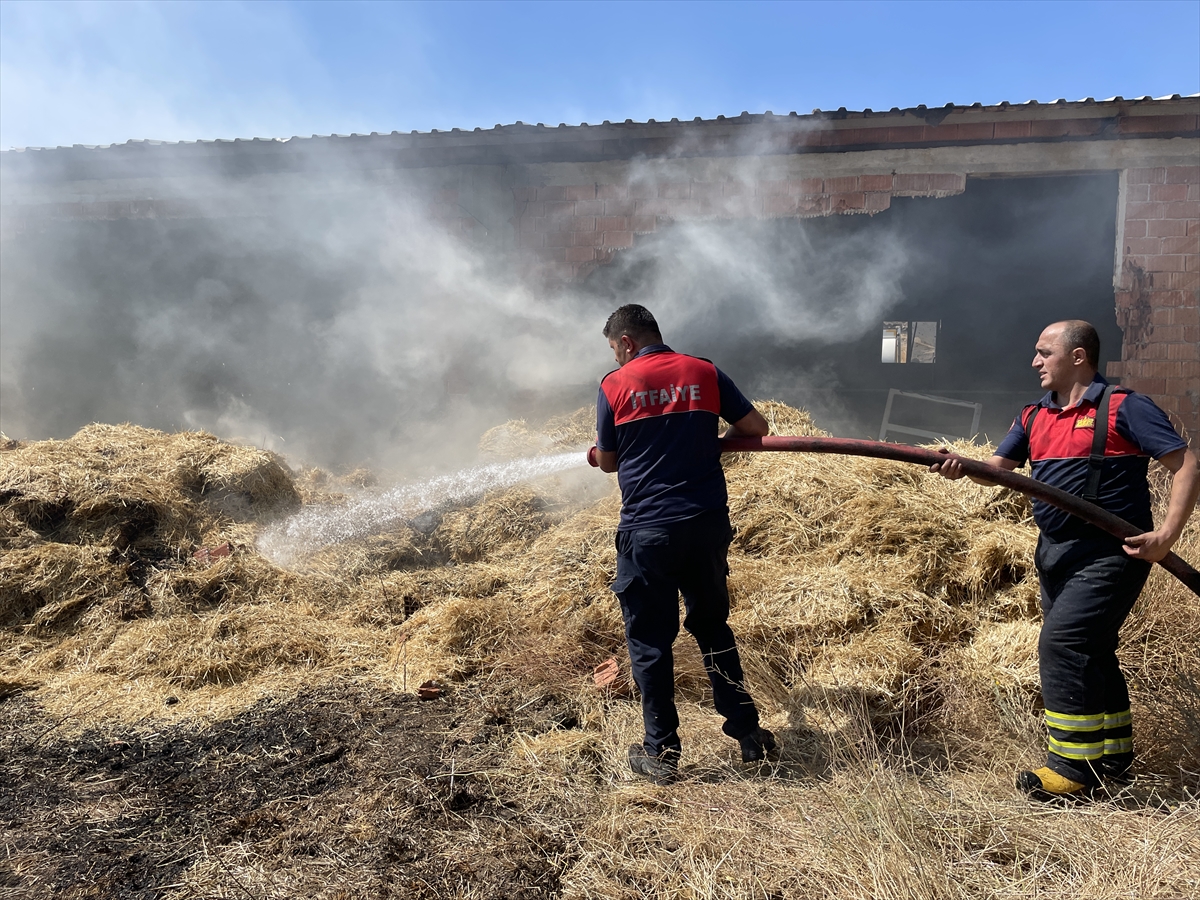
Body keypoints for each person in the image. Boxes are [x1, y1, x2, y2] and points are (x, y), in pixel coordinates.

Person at [932, 319, 1198, 799]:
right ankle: (1113, 757)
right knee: (1094, 650)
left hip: (1112, 554)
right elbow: (997, 472)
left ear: (1078, 357)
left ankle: (1072, 771)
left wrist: (1166, 536)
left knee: (1063, 645)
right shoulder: (1033, 416)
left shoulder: (1125, 408)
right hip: (1054, 553)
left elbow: (1186, 464)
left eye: (1043, 352)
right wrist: (960, 466)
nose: (1035, 362)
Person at [586, 304, 776, 784]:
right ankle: (750, 737)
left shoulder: (615, 384)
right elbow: (756, 428)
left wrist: (601, 453)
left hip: (648, 531)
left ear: (625, 342)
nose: (615, 357)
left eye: (614, 348)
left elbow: (608, 461)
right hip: (706, 524)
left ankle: (662, 755)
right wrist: (708, 444)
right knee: (713, 627)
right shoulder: (703, 371)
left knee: (650, 642)